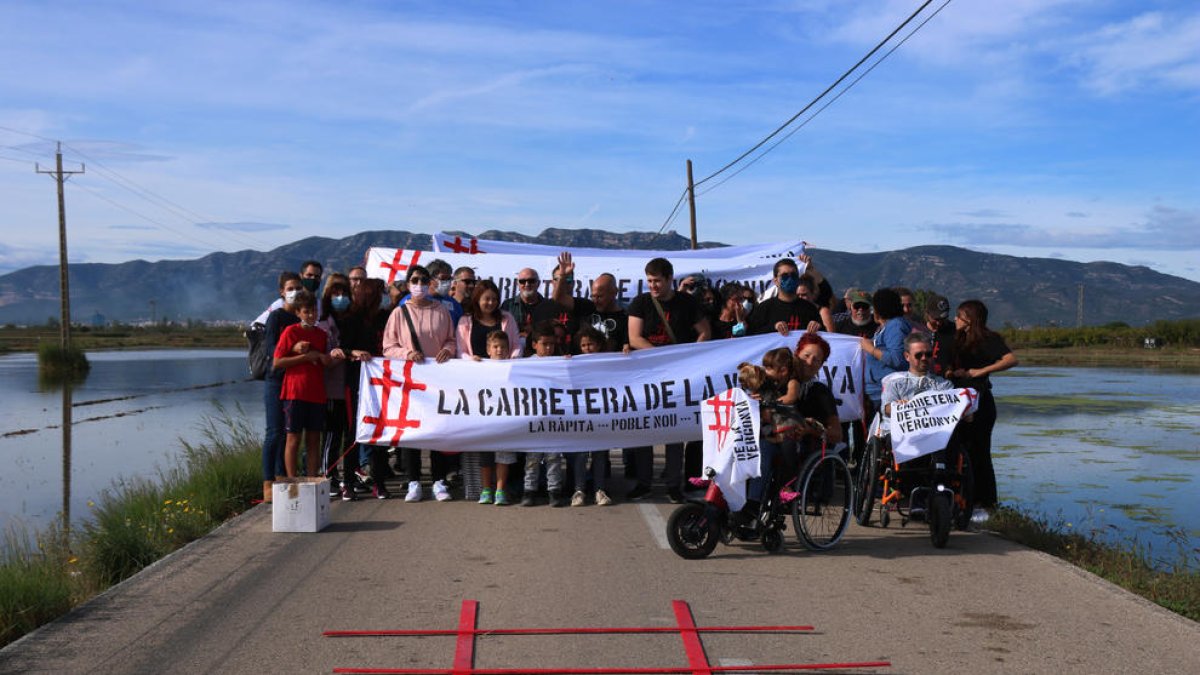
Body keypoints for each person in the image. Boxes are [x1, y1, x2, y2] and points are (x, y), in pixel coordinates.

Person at [627, 257, 711, 503]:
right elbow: (634, 337)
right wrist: (663, 357)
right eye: (650, 281)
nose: (653, 286)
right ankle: (644, 482)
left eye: (658, 281)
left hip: (679, 376)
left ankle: (673, 484)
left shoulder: (687, 303)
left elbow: (704, 332)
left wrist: (689, 357)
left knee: (675, 430)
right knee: (646, 428)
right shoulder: (641, 303)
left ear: (670, 279)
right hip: (649, 375)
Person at [383, 265, 458, 502]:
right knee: (412, 432)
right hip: (409, 380)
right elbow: (388, 347)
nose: (419, 284)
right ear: (408, 284)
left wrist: (447, 350)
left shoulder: (441, 311)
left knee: (436, 430)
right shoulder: (399, 313)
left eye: (424, 280)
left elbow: (451, 340)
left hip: (436, 380)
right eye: (415, 280)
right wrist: (406, 353)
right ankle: (414, 481)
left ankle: (438, 480)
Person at [949, 299, 1018, 524]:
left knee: (979, 452)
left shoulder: (989, 339)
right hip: (958, 400)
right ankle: (962, 498)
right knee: (960, 451)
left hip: (980, 401)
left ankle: (985, 503)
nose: (955, 320)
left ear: (969, 319)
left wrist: (981, 371)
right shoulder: (957, 337)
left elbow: (1011, 359)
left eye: (959, 316)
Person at [272, 289, 345, 478]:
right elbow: (277, 362)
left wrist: (333, 356)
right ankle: (292, 481)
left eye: (314, 311)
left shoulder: (321, 335)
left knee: (314, 440)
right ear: (298, 313)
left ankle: (312, 479)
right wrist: (305, 357)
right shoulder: (291, 332)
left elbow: (324, 362)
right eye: (306, 311)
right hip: (294, 392)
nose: (311, 315)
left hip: (317, 393)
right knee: (293, 439)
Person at [339, 277, 392, 499]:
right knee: (353, 433)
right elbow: (341, 346)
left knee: (380, 433)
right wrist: (353, 352)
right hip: (356, 381)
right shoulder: (350, 319)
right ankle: (348, 481)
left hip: (381, 382)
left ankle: (379, 481)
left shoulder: (385, 317)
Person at [259, 271, 303, 502]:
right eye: (291, 288)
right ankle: (268, 483)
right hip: (276, 380)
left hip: (295, 383)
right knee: (274, 432)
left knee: (290, 434)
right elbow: (272, 351)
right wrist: (294, 350)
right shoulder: (276, 317)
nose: (295, 292)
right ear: (282, 292)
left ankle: (282, 477)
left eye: (298, 287)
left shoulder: (301, 318)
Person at [468, 330, 520, 505]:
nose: (499, 350)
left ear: (508, 349)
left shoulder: (515, 367)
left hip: (506, 421)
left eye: (503, 347)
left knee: (503, 457)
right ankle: (486, 490)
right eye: (495, 347)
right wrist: (472, 363)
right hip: (486, 421)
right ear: (488, 349)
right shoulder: (480, 365)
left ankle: (500, 490)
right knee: (486, 458)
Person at [521, 321, 567, 507]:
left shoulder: (560, 362)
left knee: (554, 457)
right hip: (533, 419)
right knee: (532, 458)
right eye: (544, 344)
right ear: (534, 344)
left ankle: (554, 491)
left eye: (551, 344)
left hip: (554, 419)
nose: (548, 348)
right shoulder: (526, 365)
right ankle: (529, 490)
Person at [317, 273, 354, 497]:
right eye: (335, 293)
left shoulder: (348, 319)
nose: (340, 297)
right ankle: (327, 474)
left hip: (346, 385)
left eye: (343, 293)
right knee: (331, 434)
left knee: (342, 432)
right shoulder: (323, 321)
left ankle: (337, 475)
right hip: (330, 386)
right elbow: (323, 355)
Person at [568, 326, 614, 507]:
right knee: (580, 454)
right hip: (581, 414)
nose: (587, 348)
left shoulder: (608, 362)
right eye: (584, 345)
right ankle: (579, 491)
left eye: (591, 344)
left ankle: (599, 490)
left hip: (601, 415)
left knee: (600, 453)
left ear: (599, 345)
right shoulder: (574, 362)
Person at [860, 287, 911, 419]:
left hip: (885, 393)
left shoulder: (895, 326)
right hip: (875, 392)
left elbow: (897, 359)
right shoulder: (885, 327)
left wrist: (871, 349)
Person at [537, 252, 598, 354]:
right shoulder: (541, 309)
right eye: (559, 279)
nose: (564, 282)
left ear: (574, 283)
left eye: (568, 279)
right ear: (552, 282)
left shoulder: (586, 306)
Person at [881, 333, 953, 418]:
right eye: (918, 355)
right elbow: (886, 409)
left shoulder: (944, 385)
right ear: (907, 356)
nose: (924, 358)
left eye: (928, 354)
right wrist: (897, 406)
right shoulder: (894, 383)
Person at [745, 259, 822, 336]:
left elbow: (825, 337)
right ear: (775, 281)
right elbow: (750, 336)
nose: (790, 279)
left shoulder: (810, 308)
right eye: (784, 276)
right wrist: (773, 328)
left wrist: (817, 327)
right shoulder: (764, 308)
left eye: (793, 275)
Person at [252, 260, 322, 326]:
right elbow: (258, 324)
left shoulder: (320, 305)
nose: (313, 279)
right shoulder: (283, 303)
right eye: (309, 275)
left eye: (316, 276)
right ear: (301, 276)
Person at [500, 267, 544, 340]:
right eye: (522, 281)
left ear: (538, 283)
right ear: (518, 284)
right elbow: (501, 332)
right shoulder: (507, 305)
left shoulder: (547, 305)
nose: (527, 284)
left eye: (531, 281)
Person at [923, 293, 956, 378]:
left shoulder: (954, 331)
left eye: (943, 319)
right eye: (936, 319)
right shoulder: (918, 329)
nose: (939, 323)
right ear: (927, 313)